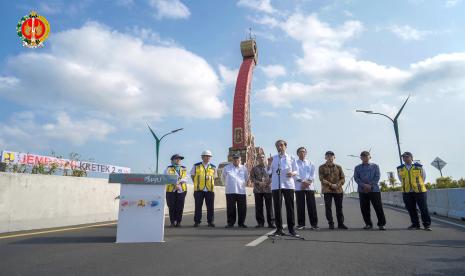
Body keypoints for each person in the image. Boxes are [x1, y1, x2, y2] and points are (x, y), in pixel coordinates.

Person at [267, 139, 299, 237]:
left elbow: (296, 170)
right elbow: (268, 172)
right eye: (277, 146)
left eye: (281, 145)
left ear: (285, 146)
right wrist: (268, 164)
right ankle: (279, 229)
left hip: (288, 185)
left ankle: (291, 229)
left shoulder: (291, 158)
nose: (279, 147)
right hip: (276, 186)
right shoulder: (273, 158)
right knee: (277, 208)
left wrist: (292, 173)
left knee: (290, 208)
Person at [397, 152, 432, 231]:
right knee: (411, 209)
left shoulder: (418, 167)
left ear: (411, 158)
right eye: (404, 157)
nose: (405, 158)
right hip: (407, 191)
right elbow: (400, 178)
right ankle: (415, 224)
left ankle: (427, 225)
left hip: (419, 190)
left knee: (423, 208)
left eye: (407, 157)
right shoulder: (400, 168)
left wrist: (417, 185)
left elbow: (423, 177)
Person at [354, 151, 386, 230]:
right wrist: (364, 185)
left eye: (366, 156)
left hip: (374, 190)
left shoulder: (375, 166)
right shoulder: (357, 168)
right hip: (362, 190)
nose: (365, 157)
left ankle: (381, 224)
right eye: (363, 156)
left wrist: (370, 185)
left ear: (370, 157)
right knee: (364, 208)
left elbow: (377, 176)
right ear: (361, 158)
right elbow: (356, 178)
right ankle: (368, 224)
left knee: (378, 207)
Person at [319, 151, 348, 230]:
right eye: (328, 156)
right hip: (327, 190)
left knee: (339, 208)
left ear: (334, 157)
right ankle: (331, 223)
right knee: (328, 207)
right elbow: (322, 179)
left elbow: (343, 178)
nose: (330, 158)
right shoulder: (321, 167)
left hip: (338, 190)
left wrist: (337, 185)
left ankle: (341, 224)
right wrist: (332, 185)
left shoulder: (338, 167)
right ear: (325, 157)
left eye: (331, 156)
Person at [190, 150, 217, 227]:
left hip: (209, 190)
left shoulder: (213, 167)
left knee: (210, 207)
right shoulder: (196, 165)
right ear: (202, 157)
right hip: (199, 190)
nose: (208, 157)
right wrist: (197, 183)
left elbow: (215, 177)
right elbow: (192, 175)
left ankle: (210, 221)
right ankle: (197, 221)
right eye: (206, 156)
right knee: (198, 206)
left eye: (209, 156)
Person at [294, 147, 319, 230]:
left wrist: (308, 182)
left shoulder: (310, 162)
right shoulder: (295, 163)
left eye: (304, 152)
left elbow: (313, 174)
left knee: (312, 206)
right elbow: (295, 175)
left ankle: (314, 224)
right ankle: (301, 224)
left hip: (309, 187)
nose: (302, 153)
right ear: (297, 154)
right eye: (300, 152)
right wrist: (302, 182)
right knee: (300, 206)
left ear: (306, 153)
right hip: (299, 187)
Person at [222, 153, 249, 228]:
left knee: (242, 208)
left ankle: (241, 223)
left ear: (240, 159)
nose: (236, 160)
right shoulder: (226, 168)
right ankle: (230, 223)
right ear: (232, 159)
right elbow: (223, 178)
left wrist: (241, 184)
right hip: (230, 191)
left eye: (237, 158)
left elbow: (246, 178)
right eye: (234, 158)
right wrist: (228, 184)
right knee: (230, 208)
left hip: (241, 191)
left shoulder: (244, 168)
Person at [250, 154, 275, 228]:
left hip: (268, 189)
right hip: (258, 190)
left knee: (269, 207)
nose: (261, 158)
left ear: (265, 158)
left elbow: (273, 176)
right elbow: (252, 178)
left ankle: (271, 223)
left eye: (263, 157)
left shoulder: (269, 167)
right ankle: (260, 223)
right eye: (260, 157)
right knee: (258, 207)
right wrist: (259, 182)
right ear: (257, 159)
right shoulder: (254, 168)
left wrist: (268, 182)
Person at [165, 154, 189, 227]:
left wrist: (179, 182)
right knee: (171, 206)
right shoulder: (168, 168)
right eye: (176, 159)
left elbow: (186, 177)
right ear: (172, 160)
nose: (178, 160)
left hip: (182, 190)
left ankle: (178, 222)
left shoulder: (184, 168)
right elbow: (166, 177)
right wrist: (175, 184)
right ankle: (172, 222)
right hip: (171, 190)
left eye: (180, 159)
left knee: (180, 206)